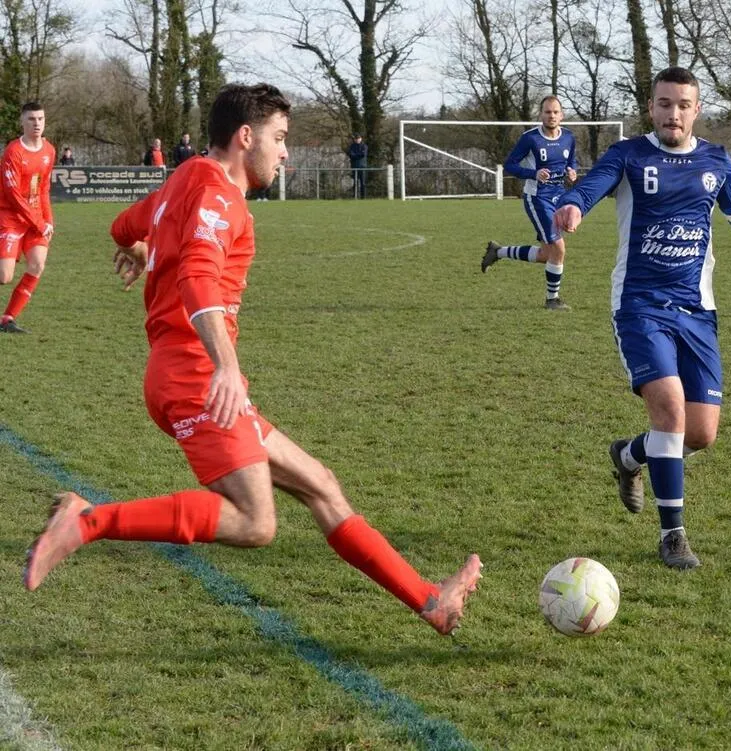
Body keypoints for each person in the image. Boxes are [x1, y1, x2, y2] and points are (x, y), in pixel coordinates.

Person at [24, 83, 482, 636]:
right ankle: (87, 521)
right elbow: (197, 275)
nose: (285, 151)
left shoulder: (186, 177)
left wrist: (143, 247)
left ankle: (429, 601)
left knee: (320, 484)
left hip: (178, 368)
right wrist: (225, 364)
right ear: (246, 137)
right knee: (254, 521)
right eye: (279, 138)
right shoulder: (219, 195)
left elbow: (124, 226)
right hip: (196, 373)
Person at [552, 67, 731, 569]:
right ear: (651, 108)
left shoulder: (716, 162)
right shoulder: (629, 155)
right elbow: (592, 185)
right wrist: (573, 204)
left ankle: (629, 456)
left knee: (700, 434)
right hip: (639, 305)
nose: (673, 114)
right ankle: (673, 536)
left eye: (683, 105)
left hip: (697, 310)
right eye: (664, 104)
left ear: (696, 110)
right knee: (669, 412)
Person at [481, 95, 577, 311]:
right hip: (538, 199)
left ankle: (497, 252)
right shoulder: (530, 138)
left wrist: (572, 172)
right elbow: (510, 165)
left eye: (555, 112)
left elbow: (571, 161)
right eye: (547, 112)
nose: (551, 116)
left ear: (562, 115)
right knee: (559, 248)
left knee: (547, 255)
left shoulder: (569, 137)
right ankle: (552, 300)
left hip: (559, 198)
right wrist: (533, 174)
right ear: (540, 114)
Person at [0, 102, 56, 334]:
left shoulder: (49, 150)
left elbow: (44, 189)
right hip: (11, 217)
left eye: (40, 119)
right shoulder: (13, 152)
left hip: (36, 219)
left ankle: (7, 319)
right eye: (31, 119)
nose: (37, 123)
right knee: (4, 276)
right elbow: (13, 195)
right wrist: (40, 223)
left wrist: (48, 220)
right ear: (22, 122)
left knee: (37, 264)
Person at [347, 133, 368, 198]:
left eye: (358, 138)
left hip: (362, 167)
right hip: (354, 166)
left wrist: (355, 155)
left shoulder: (364, 146)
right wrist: (358, 155)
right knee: (355, 182)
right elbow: (350, 154)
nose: (357, 140)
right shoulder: (352, 146)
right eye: (356, 139)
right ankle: (355, 196)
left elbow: (363, 154)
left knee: (363, 183)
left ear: (361, 138)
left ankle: (363, 197)